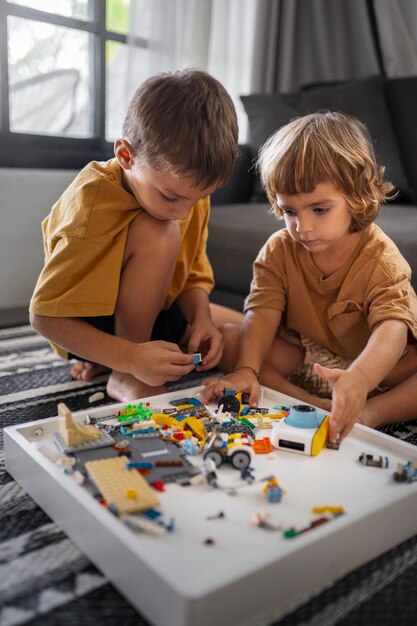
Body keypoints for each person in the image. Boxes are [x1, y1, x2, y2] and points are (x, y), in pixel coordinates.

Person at [30, 69, 243, 402]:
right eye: (171, 197)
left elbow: (192, 273)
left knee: (249, 333)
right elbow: (45, 316)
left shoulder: (185, 194)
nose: (185, 212)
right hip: (94, 326)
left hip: (159, 311)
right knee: (160, 230)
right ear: (126, 156)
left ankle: (123, 358)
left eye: (199, 198)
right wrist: (128, 357)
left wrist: (201, 318)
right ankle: (124, 375)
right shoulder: (91, 202)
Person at [202, 111, 417, 442]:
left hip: (384, 369)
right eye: (290, 211)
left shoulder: (381, 260)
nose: (302, 227)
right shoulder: (279, 249)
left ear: (356, 195)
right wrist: (247, 370)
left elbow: (393, 329)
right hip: (310, 360)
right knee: (233, 340)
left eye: (319, 209)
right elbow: (262, 310)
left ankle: (371, 413)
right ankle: (311, 403)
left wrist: (359, 377)